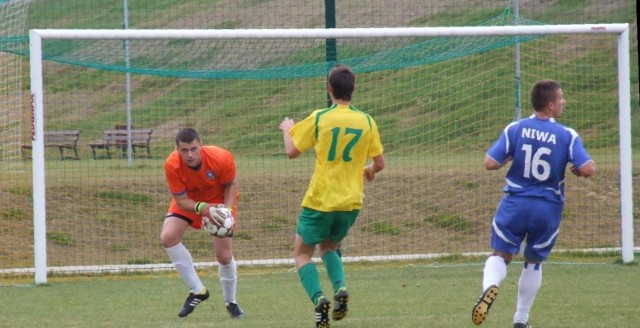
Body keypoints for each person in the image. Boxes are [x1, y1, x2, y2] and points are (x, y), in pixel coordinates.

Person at [471, 80, 596, 328]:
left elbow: (490, 163)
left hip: (515, 204)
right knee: (533, 262)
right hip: (547, 208)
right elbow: (588, 169)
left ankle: (491, 287)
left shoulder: (515, 129)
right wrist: (578, 172)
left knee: (501, 255)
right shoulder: (566, 135)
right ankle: (521, 320)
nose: (564, 102)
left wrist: (510, 156)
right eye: (560, 99)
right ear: (550, 105)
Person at [278, 64, 385, 328]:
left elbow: (292, 151)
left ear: (329, 89)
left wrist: (287, 129)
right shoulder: (367, 121)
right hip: (350, 202)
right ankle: (340, 289)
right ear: (353, 90)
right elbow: (380, 163)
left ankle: (319, 300)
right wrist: (369, 171)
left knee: (302, 254)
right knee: (329, 247)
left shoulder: (320, 117)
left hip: (320, 200)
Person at [160, 127, 245, 319]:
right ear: (177, 149)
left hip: (219, 202)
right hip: (191, 203)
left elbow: (231, 184)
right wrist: (202, 208)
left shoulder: (221, 158)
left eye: (193, 149)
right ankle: (197, 290)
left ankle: (231, 301)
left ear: (201, 145)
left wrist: (227, 211)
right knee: (168, 237)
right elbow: (181, 201)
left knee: (224, 257)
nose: (189, 155)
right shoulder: (172, 165)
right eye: (184, 150)